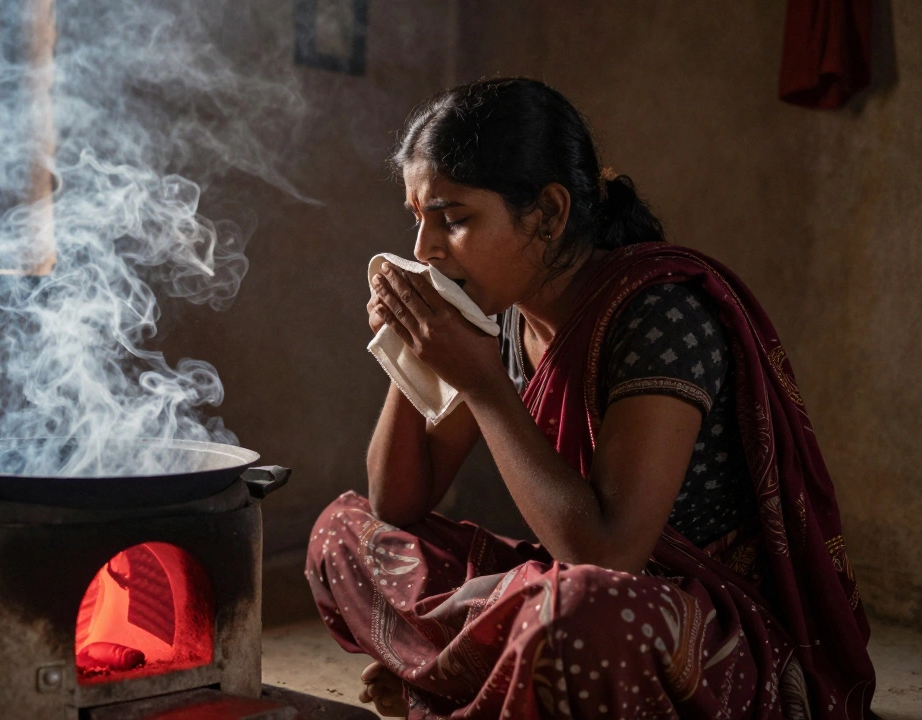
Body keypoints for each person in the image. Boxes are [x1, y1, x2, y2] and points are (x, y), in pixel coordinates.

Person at [305, 78, 874, 720]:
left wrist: (486, 384)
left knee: (575, 621)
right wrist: (410, 348)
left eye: (455, 218)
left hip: (689, 622)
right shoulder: (508, 314)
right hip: (564, 583)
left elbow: (608, 554)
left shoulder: (659, 315)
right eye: (419, 221)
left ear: (548, 213)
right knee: (343, 533)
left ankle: (447, 678)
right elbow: (399, 500)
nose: (424, 251)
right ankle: (479, 673)